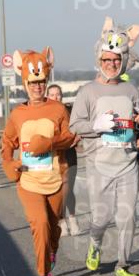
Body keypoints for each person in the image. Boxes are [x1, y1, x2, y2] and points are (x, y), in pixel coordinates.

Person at [69, 17, 139, 276]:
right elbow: (75, 125)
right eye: (107, 60)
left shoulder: (131, 90)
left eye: (116, 60)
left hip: (128, 163)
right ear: (99, 60)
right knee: (101, 218)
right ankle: (95, 243)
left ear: (123, 61)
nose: (112, 64)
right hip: (99, 165)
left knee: (127, 216)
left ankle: (122, 265)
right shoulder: (87, 91)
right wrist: (96, 125)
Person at [2, 49, 77, 276]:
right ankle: (44, 273)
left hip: (55, 176)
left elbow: (71, 137)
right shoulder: (17, 114)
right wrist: (8, 163)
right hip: (28, 180)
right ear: (24, 82)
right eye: (33, 82)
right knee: (41, 223)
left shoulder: (58, 109)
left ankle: (51, 252)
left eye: (42, 81)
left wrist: (50, 143)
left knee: (54, 225)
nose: (38, 86)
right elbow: (7, 145)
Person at [47, 83, 81, 236]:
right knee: (58, 189)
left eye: (58, 94)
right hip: (54, 155)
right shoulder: (45, 112)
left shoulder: (69, 110)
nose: (56, 97)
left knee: (68, 189)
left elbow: (79, 127)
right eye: (53, 94)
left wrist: (77, 138)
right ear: (48, 96)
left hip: (69, 153)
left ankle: (72, 218)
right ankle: (61, 221)